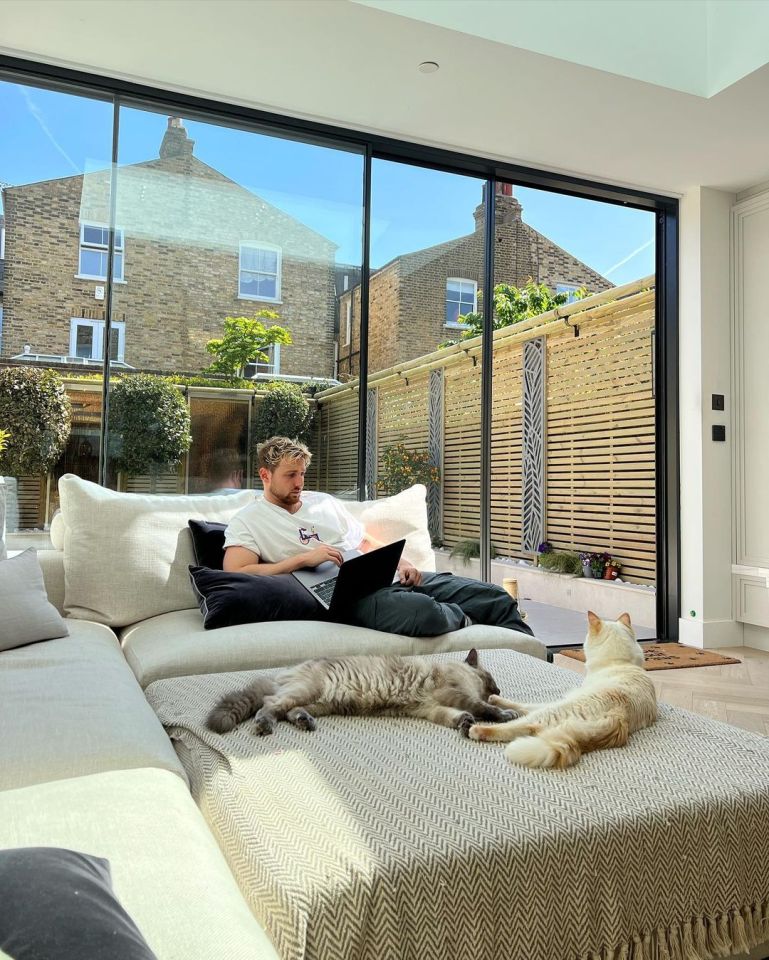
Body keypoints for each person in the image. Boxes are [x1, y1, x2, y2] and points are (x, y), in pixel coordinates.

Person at [223, 436, 532, 638]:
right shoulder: (249, 520)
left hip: (383, 577)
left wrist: (402, 562)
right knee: (425, 614)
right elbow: (236, 572)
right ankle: (467, 619)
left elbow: (365, 542)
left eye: (302, 473)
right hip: (342, 598)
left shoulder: (324, 503)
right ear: (265, 475)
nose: (299, 482)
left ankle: (535, 662)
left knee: (495, 596)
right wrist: (303, 558)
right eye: (291, 475)